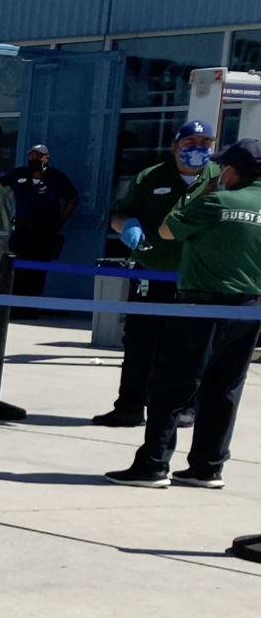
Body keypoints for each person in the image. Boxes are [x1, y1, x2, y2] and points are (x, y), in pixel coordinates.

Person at [105, 138, 261, 489]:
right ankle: (207, 467)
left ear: (233, 170)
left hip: (201, 305)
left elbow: (167, 229)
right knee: (225, 389)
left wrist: (203, 190)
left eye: (223, 167)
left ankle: (153, 464)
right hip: (248, 309)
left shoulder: (217, 200)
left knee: (172, 384)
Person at [94, 120, 218, 428]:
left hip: (198, 278)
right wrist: (128, 226)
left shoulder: (220, 178)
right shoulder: (149, 177)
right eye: (191, 143)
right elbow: (118, 216)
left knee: (190, 345)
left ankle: (186, 407)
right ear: (176, 146)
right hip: (152, 272)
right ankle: (130, 407)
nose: (198, 149)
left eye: (205, 143)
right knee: (140, 342)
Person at [0, 144, 79, 299]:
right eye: (32, 156)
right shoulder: (19, 174)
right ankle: (14, 307)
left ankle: (31, 307)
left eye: (38, 156)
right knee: (17, 269)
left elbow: (73, 198)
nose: (34, 159)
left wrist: (60, 221)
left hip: (45, 233)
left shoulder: (56, 177)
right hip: (22, 232)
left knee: (37, 272)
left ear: (46, 158)